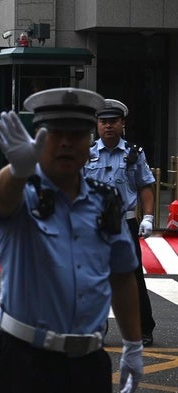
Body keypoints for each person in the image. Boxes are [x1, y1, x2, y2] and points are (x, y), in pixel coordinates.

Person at [0, 88, 143, 392]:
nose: (65, 143)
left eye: (76, 134)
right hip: (25, 361)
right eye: (55, 133)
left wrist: (133, 345)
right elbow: (3, 199)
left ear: (90, 143)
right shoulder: (25, 194)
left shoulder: (105, 201)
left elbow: (123, 276)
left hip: (89, 363)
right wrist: (17, 171)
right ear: (38, 140)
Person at [84, 99, 156, 347]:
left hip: (125, 224)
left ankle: (143, 329)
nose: (108, 126)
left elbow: (145, 185)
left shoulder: (133, 153)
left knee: (132, 277)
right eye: (103, 122)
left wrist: (147, 217)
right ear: (97, 125)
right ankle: (96, 329)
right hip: (94, 225)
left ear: (122, 123)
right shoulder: (87, 153)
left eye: (113, 121)